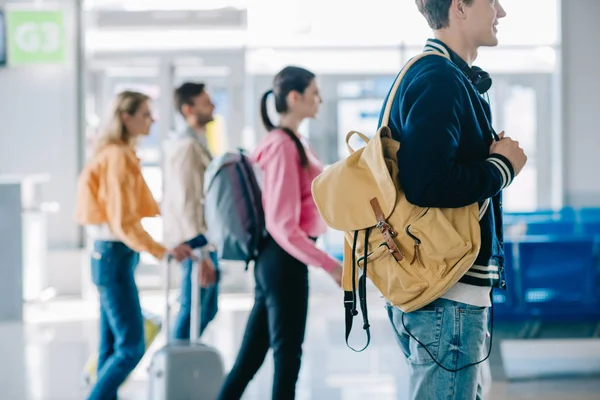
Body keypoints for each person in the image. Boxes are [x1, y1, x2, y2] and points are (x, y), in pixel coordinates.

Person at [381, 1, 527, 399]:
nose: (502, 12)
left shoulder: (438, 75)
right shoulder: (439, 79)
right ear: (459, 7)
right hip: (448, 295)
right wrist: (502, 166)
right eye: (492, 2)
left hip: (442, 291)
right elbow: (427, 182)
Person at [217, 66, 344, 400]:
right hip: (282, 260)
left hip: (280, 261)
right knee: (287, 356)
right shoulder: (282, 146)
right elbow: (282, 224)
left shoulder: (294, 141)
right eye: (314, 92)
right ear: (294, 97)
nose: (319, 99)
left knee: (253, 357)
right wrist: (329, 264)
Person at [75, 91, 194, 400]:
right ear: (125, 118)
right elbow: (123, 221)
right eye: (145, 114)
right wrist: (162, 251)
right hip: (113, 257)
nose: (152, 119)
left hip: (109, 256)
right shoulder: (117, 156)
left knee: (111, 347)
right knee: (131, 347)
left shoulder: (114, 152)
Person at [162, 82, 219, 340]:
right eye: (205, 102)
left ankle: (182, 363)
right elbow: (187, 201)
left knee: (204, 307)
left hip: (201, 238)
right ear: (188, 109)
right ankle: (177, 366)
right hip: (196, 241)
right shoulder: (187, 147)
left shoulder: (195, 142)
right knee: (195, 309)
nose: (213, 105)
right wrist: (201, 253)